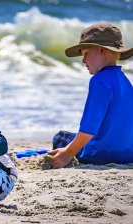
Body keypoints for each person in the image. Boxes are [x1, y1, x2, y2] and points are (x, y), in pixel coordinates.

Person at [49, 23, 133, 168]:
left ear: (101, 50)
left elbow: (89, 127)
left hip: (98, 155)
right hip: (127, 154)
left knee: (60, 137)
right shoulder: (125, 81)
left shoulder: (99, 81)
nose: (83, 60)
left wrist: (68, 153)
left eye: (86, 54)